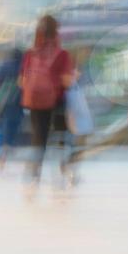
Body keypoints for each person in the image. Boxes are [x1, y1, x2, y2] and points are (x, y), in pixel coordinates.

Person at [20, 14, 75, 193]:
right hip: (57, 102)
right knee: (60, 139)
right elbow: (67, 81)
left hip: (35, 104)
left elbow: (21, 81)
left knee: (38, 140)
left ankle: (33, 179)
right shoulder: (62, 54)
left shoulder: (30, 53)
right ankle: (62, 177)